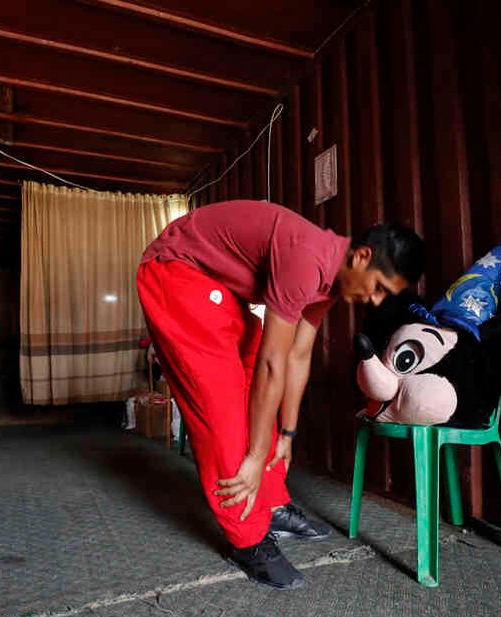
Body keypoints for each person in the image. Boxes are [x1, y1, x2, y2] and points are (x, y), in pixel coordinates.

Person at [136, 200, 425, 589]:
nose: (374, 301)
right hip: (174, 271)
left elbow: (297, 356)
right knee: (219, 404)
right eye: (378, 288)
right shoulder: (306, 258)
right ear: (362, 256)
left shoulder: (330, 283)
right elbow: (275, 364)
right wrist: (255, 454)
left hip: (213, 283)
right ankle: (247, 540)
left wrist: (286, 435)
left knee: (253, 360)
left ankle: (269, 502)